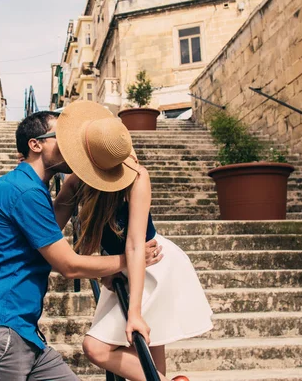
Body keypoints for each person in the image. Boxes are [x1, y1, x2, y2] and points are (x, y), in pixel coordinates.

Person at [0, 110, 164, 381]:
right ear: (36, 144)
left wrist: (101, 163)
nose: (72, 144)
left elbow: (55, 218)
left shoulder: (27, 188)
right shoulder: (23, 191)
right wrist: (131, 259)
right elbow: (69, 265)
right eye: (61, 137)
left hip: (22, 335)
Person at [53, 101, 214, 381]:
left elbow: (136, 245)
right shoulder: (77, 179)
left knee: (96, 347)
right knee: (151, 369)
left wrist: (134, 312)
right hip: (126, 267)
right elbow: (52, 226)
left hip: (154, 265)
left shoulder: (136, 177)